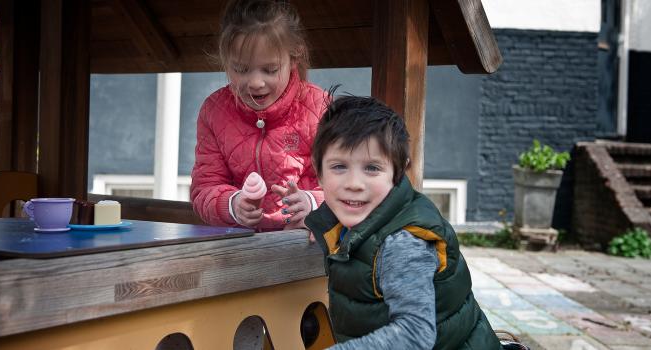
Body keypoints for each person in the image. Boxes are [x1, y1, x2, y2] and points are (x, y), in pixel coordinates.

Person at [304, 96, 502, 349]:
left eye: (372, 168)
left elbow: (415, 334)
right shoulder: (349, 222)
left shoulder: (402, 243)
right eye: (339, 167)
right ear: (318, 171)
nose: (354, 183)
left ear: (398, 172)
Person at [191, 0, 327, 231]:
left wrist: (313, 204)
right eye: (241, 69)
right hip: (242, 250)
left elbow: (350, 185)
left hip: (304, 246)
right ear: (226, 62)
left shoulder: (321, 109)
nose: (255, 83)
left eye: (270, 70)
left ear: (294, 58)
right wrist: (232, 205)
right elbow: (204, 188)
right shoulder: (215, 111)